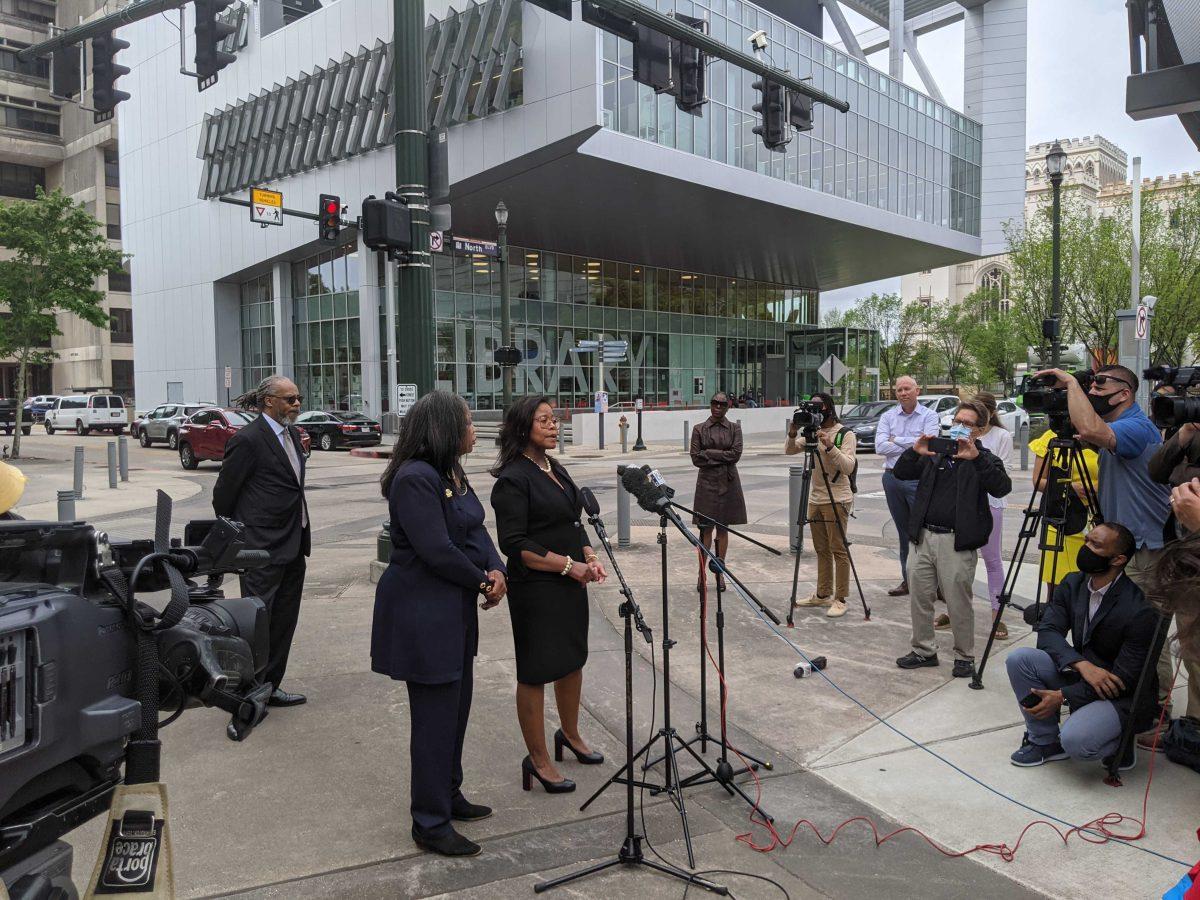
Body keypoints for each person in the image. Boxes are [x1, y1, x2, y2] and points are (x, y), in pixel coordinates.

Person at [371, 392, 507, 858]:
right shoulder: (414, 479)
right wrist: (482, 582)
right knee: (433, 720)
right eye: (468, 423)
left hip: (453, 612)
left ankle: (449, 794)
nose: (475, 430)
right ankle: (429, 822)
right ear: (444, 429)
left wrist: (497, 569)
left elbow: (475, 530)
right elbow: (436, 549)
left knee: (456, 709)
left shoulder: (452, 471)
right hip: (422, 615)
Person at [1034, 364, 1172, 742]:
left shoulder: (1135, 427)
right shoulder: (1124, 427)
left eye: (1099, 383)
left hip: (1146, 549)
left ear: (1124, 392)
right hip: (1126, 547)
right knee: (1118, 627)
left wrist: (1069, 382)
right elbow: (1082, 433)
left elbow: (1093, 430)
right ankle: (1115, 693)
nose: (1092, 389)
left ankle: (1155, 713)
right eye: (1089, 384)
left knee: (1148, 634)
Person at [491, 396, 607, 795]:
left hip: (570, 583)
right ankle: (538, 759)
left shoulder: (553, 467)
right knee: (537, 670)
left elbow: (572, 520)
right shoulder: (513, 478)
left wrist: (588, 555)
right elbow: (514, 543)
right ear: (523, 427)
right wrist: (566, 565)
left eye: (554, 419)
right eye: (544, 420)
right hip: (537, 589)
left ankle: (570, 736)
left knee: (572, 659)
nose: (554, 425)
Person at [1006, 523, 1160, 771]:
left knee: (1076, 742)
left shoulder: (1139, 610)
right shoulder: (1073, 583)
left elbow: (1123, 681)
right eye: (1087, 540)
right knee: (1020, 659)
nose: (1085, 548)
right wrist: (1081, 665)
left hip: (1120, 696)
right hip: (1084, 676)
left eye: (1096, 545)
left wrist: (1064, 696)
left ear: (1118, 559)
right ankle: (1044, 742)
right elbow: (1047, 632)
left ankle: (1121, 742)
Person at [892, 399, 1012, 678]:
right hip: (923, 537)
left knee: (958, 601)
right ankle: (924, 650)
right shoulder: (936, 453)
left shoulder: (985, 459)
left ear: (979, 430)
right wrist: (914, 451)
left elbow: (1002, 487)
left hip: (956, 542)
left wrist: (977, 458)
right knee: (920, 596)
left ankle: (964, 655)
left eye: (967, 424)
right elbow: (901, 472)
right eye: (957, 421)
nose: (960, 427)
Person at [213, 374, 310, 708]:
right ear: (269, 401)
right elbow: (223, 496)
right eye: (290, 399)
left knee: (284, 622)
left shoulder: (293, 435)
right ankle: (247, 691)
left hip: (294, 545)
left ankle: (270, 686)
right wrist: (245, 539)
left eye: (298, 398)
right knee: (257, 625)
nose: (297, 404)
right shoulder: (249, 439)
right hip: (261, 550)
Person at [1147, 423, 1200, 751]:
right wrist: (1182, 435)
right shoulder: (1192, 434)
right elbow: (1157, 470)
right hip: (1189, 558)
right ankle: (1194, 727)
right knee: (1193, 651)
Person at [943, 392, 1012, 638]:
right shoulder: (956, 433)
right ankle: (954, 611)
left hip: (991, 503)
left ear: (988, 416)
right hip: (961, 503)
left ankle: (997, 616)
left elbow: (1003, 474)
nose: (964, 423)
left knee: (992, 561)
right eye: (960, 419)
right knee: (957, 561)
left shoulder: (1001, 436)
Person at [785, 391, 857, 618]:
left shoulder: (844, 434)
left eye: (818, 407)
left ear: (828, 408)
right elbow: (789, 450)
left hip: (837, 498)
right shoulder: (811, 433)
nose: (815, 412)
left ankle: (841, 598)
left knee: (839, 549)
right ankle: (823, 593)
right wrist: (792, 432)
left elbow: (848, 467)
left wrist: (829, 446)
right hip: (815, 498)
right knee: (821, 549)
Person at [876, 376, 941, 597]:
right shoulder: (887, 416)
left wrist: (896, 440)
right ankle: (908, 580)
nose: (903, 393)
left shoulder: (930, 416)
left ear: (917, 390)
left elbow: (929, 445)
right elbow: (880, 446)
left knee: (925, 532)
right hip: (892, 478)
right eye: (899, 390)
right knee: (904, 532)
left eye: (907, 389)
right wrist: (913, 443)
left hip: (918, 479)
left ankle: (935, 585)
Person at [1028, 424, 1100, 612]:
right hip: (1059, 519)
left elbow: (1119, 477)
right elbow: (1038, 481)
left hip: (1096, 521)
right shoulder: (1051, 438)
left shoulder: (1099, 433)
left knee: (1089, 588)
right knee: (1056, 590)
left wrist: (1097, 487)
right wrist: (1069, 487)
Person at [689, 391, 746, 592]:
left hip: (728, 483)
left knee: (723, 529)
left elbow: (736, 454)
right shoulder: (699, 429)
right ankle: (701, 574)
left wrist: (709, 453)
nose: (718, 407)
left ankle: (720, 572)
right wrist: (722, 456)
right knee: (705, 529)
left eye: (722, 404)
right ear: (710, 404)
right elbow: (696, 458)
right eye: (715, 403)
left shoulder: (734, 429)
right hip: (706, 483)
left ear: (728, 407)